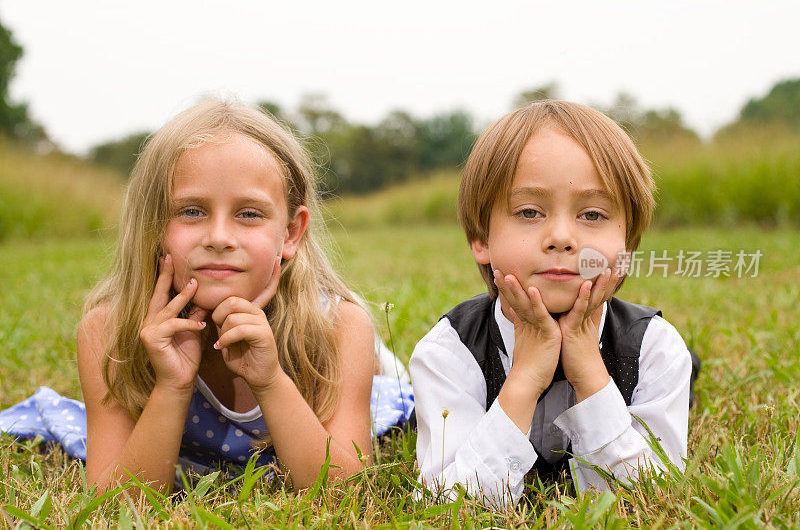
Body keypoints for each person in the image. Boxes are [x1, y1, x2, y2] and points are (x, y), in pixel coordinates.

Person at [75, 98, 409, 493]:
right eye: (191, 211)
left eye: (248, 213)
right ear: (153, 225)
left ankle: (383, 364)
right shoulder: (108, 330)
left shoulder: (340, 325)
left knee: (383, 382)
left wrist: (270, 380)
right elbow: (113, 505)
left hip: (342, 354)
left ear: (290, 233)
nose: (219, 237)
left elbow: (343, 492)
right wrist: (172, 387)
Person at [409, 100, 693, 506]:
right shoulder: (448, 352)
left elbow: (653, 500)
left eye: (592, 215)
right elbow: (453, 505)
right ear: (482, 240)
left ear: (627, 247)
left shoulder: (655, 348)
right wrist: (524, 378)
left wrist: (590, 373)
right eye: (529, 211)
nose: (561, 237)